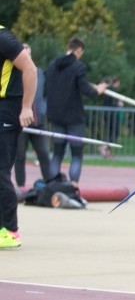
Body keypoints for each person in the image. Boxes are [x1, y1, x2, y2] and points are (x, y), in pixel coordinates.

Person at [44, 37, 107, 185]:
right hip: (74, 118)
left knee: (57, 154)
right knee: (77, 155)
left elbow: (46, 88)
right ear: (78, 50)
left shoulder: (52, 66)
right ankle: (74, 186)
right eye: (81, 53)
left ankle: (52, 185)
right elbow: (86, 90)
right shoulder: (78, 67)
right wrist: (99, 90)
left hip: (56, 116)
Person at [0, 26, 37, 249]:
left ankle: (11, 230)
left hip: (8, 109)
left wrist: (26, 108)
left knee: (0, 170)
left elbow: (30, 69)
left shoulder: (3, 37)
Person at [14, 43, 52, 188]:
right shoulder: (14, 75)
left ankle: (50, 183)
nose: (27, 57)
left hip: (38, 120)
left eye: (29, 54)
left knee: (43, 153)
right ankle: (20, 186)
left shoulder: (40, 73)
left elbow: (45, 94)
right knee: (19, 155)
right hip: (21, 122)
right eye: (24, 54)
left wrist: (45, 110)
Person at [100, 76, 123, 158]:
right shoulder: (113, 91)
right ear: (116, 82)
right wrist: (118, 104)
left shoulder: (107, 90)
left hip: (107, 113)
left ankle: (106, 150)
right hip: (111, 114)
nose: (119, 85)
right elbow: (113, 103)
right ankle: (104, 147)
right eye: (118, 83)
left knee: (110, 132)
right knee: (114, 132)